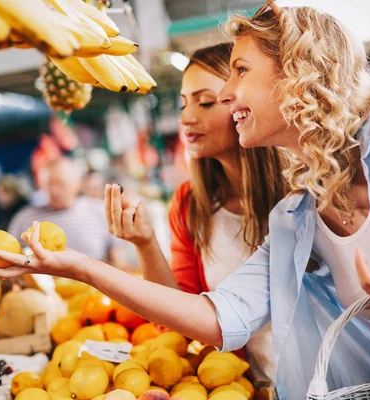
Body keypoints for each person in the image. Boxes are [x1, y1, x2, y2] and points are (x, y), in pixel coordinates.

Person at [0, 3, 370, 399]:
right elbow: (220, 321)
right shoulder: (296, 220)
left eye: (240, 70)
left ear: (298, 73)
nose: (230, 92)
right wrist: (82, 268)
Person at [104, 43, 285, 386]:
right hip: (254, 388)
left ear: (244, 101)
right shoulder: (191, 205)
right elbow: (179, 320)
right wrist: (145, 244)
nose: (186, 118)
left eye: (205, 102)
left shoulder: (303, 192)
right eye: (184, 103)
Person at [7, 156, 125, 265]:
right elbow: (12, 258)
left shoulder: (101, 211)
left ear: (78, 182)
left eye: (61, 183)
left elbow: (117, 259)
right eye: (49, 185)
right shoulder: (24, 219)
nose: (55, 191)